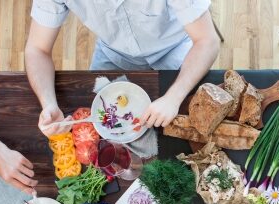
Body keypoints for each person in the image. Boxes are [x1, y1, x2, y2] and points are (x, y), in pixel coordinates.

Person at [26, 0, 221, 136]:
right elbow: (37, 49)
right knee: (101, 132)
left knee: (185, 127)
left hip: (173, 49)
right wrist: (48, 103)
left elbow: (207, 41)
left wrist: (173, 97)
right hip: (113, 53)